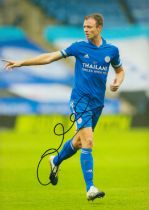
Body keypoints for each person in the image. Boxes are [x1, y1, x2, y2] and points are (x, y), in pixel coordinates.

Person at [4, 13, 125, 201]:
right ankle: (90, 188)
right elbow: (50, 57)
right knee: (89, 141)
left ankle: (55, 160)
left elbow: (120, 70)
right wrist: (22, 62)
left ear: (99, 28)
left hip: (97, 104)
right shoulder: (78, 47)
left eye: (89, 27)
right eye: (84, 26)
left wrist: (118, 81)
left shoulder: (112, 51)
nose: (85, 30)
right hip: (79, 100)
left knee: (78, 142)